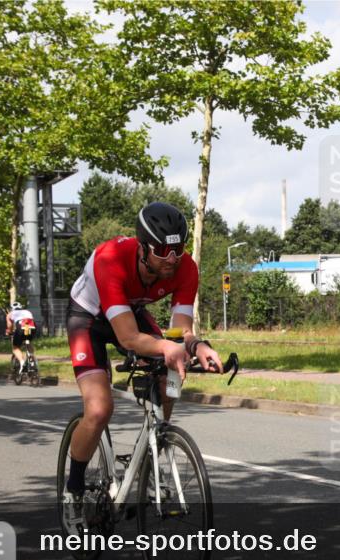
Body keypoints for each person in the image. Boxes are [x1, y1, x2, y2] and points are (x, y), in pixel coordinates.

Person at [62, 202, 223, 533]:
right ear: (143, 247)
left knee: (172, 372)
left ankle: (157, 440)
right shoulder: (111, 259)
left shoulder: (186, 268)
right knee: (98, 409)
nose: (172, 258)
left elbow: (180, 331)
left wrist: (195, 345)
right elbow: (128, 337)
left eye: (178, 249)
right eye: (163, 250)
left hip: (128, 311)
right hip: (89, 318)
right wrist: (166, 346)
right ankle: (73, 492)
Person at [6, 302, 36, 375]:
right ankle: (31, 359)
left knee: (15, 347)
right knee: (28, 341)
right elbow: (32, 320)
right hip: (31, 327)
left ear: (11, 309)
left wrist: (8, 332)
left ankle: (22, 363)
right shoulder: (27, 311)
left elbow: (9, 327)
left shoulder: (10, 314)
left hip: (21, 328)